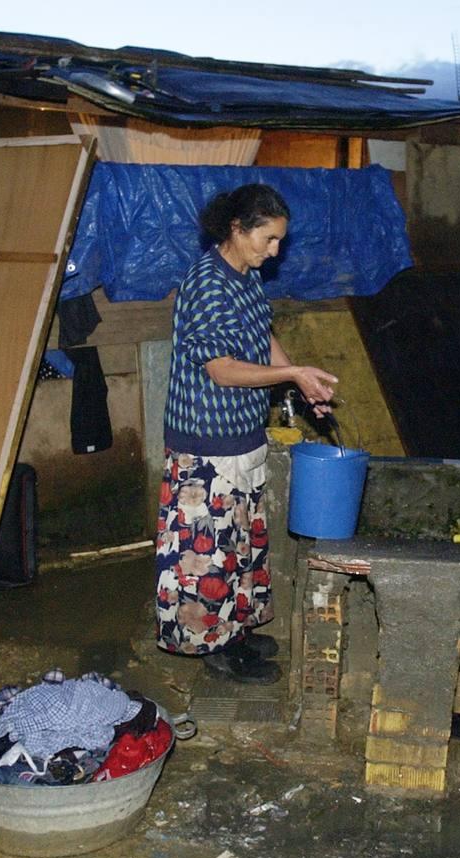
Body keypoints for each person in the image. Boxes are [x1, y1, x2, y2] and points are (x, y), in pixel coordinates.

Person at [155, 184, 338, 684]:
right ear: (237, 229)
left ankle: (235, 628)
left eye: (280, 240)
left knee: (237, 545)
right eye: (269, 239)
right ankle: (214, 648)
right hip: (206, 444)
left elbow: (263, 334)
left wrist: (300, 379)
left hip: (241, 434)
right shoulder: (208, 283)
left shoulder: (246, 276)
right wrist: (292, 376)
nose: (275, 250)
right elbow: (223, 370)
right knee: (207, 552)